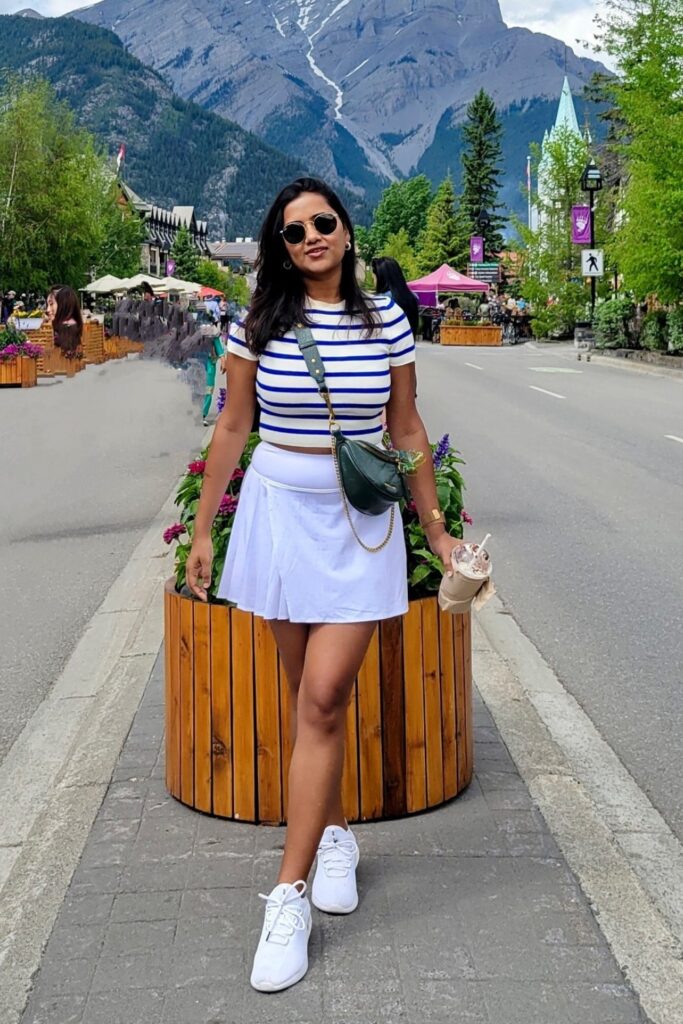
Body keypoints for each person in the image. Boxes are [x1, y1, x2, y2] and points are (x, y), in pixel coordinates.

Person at [185, 176, 465, 994]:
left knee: (321, 698)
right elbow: (232, 423)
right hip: (277, 514)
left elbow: (405, 425)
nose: (309, 235)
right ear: (279, 245)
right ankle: (335, 832)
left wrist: (436, 528)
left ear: (346, 231)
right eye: (292, 229)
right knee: (306, 697)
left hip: (356, 525)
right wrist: (204, 530)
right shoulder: (258, 321)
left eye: (322, 222)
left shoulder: (385, 322)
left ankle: (289, 892)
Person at [371, 256, 420, 337]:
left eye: (374, 278)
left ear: (380, 277)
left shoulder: (382, 300)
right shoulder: (413, 297)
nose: (374, 282)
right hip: (407, 344)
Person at [47, 285, 83, 353]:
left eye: (51, 304)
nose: (48, 309)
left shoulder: (66, 327)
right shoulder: (74, 324)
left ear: (63, 305)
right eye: (48, 305)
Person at [202, 332, 225, 426]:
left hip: (209, 363)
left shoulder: (211, 330)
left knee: (208, 389)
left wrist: (223, 359)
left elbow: (217, 343)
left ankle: (202, 415)